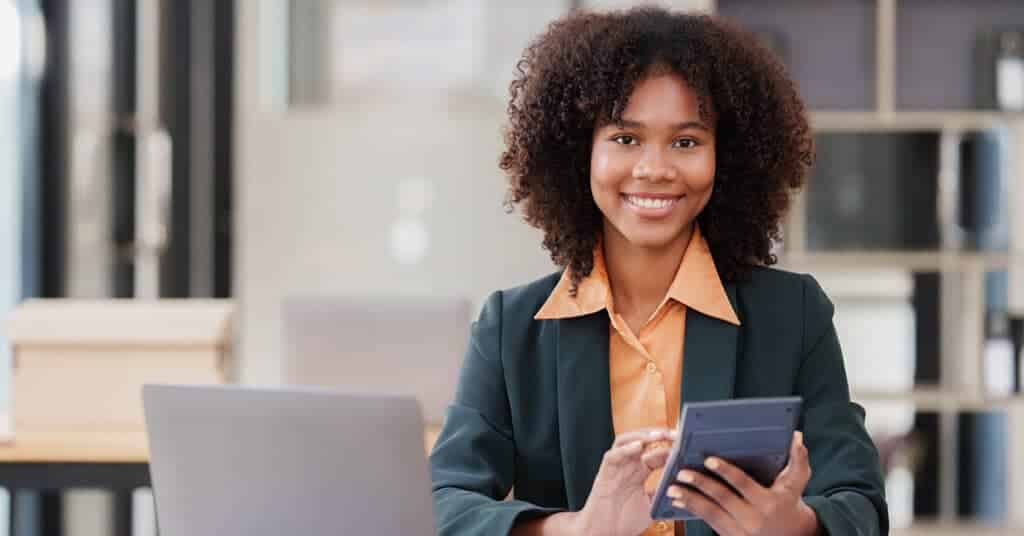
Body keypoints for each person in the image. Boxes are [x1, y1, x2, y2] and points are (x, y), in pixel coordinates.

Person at [429, 6, 887, 536]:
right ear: (580, 152)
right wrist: (575, 530)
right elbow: (444, 502)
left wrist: (798, 525)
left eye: (687, 142)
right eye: (625, 139)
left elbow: (860, 503)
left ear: (728, 156)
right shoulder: (511, 328)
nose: (654, 169)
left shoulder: (794, 314)